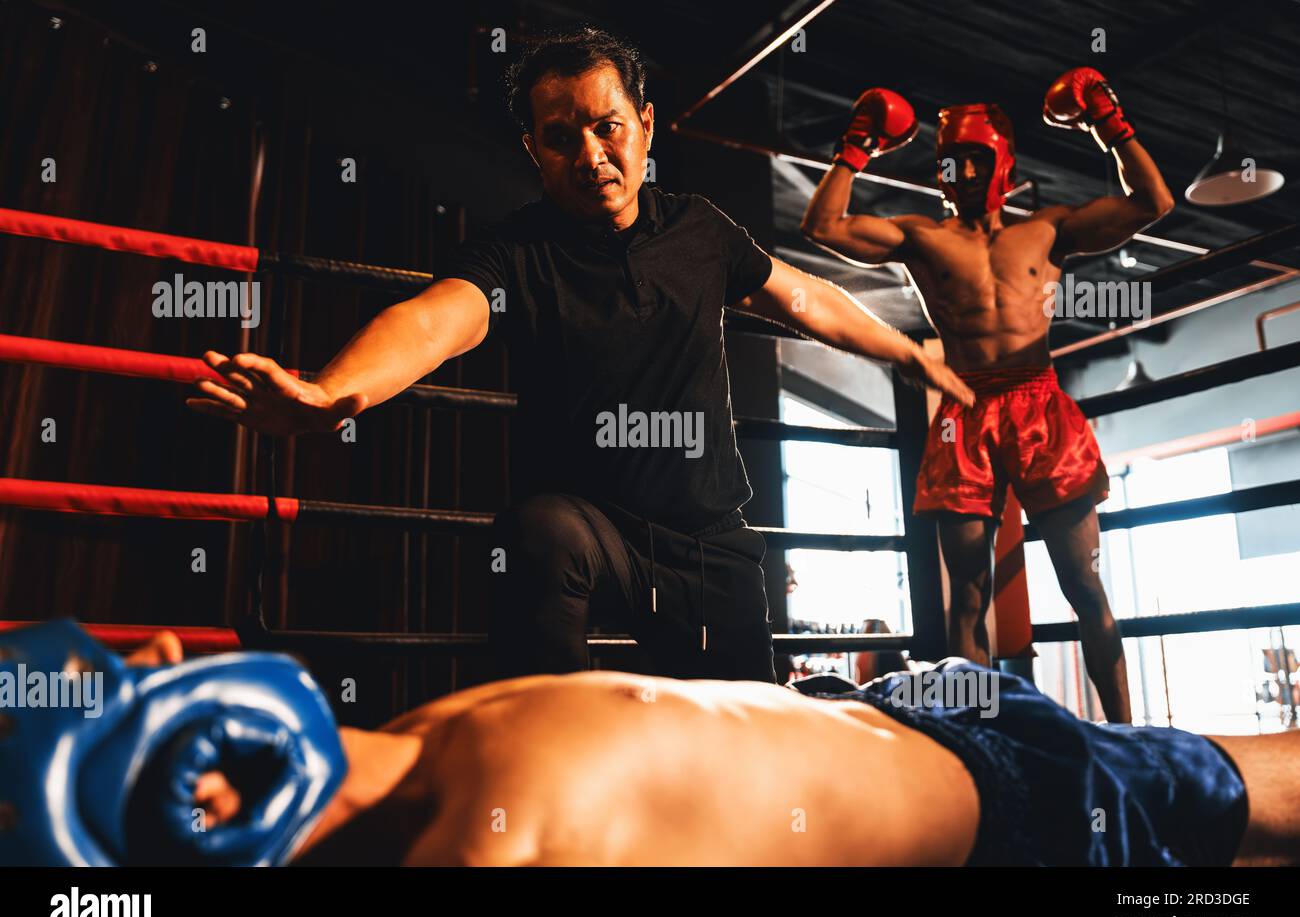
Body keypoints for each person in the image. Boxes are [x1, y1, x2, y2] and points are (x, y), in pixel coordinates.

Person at [186, 28, 974, 683]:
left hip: (706, 544)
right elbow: (431, 321)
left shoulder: (700, 232)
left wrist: (904, 350)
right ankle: (555, 759)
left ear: (647, 125)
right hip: (589, 537)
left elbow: (804, 296)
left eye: (608, 127)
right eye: (561, 139)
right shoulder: (515, 252)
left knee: (740, 764)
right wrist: (333, 393)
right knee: (539, 532)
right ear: (534, 149)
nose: (591, 155)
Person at [7, 622, 1297, 867]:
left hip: (927, 725)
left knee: (1251, 791)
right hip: (1001, 803)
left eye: (130, 667)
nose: (168, 661)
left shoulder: (410, 754)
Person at [801, 70, 1176, 722]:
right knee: (967, 596)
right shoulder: (923, 237)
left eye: (974, 157)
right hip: (965, 413)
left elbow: (1153, 202)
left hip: (1039, 406)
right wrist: (856, 145)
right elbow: (823, 226)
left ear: (1001, 162)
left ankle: (1126, 733)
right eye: (951, 160)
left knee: (1084, 584)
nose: (962, 171)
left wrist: (1108, 124)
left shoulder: (1048, 230)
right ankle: (981, 741)